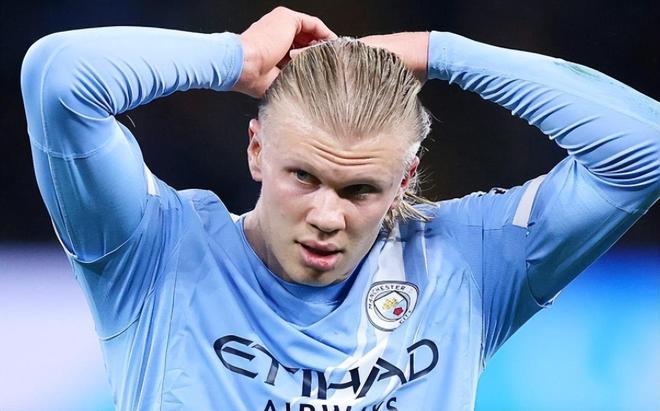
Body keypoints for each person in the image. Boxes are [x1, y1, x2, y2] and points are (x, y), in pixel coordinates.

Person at [20, 6, 659, 411]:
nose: (328, 216)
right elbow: (60, 77)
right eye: (304, 177)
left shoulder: (466, 266)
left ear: (405, 180)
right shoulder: (153, 251)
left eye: (360, 191)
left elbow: (645, 151)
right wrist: (237, 58)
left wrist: (442, 53)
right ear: (256, 150)